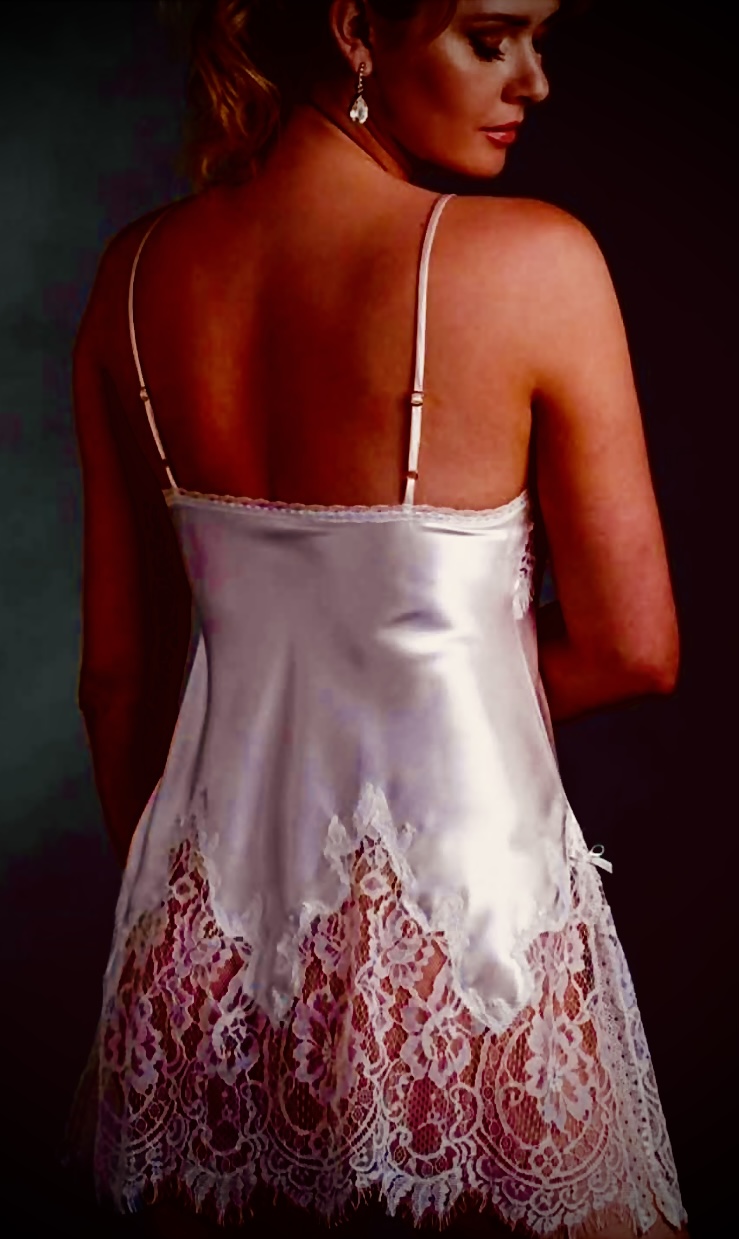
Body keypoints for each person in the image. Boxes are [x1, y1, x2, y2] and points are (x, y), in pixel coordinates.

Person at [61, 1, 689, 1236]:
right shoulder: (535, 263)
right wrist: (417, 697)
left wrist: (198, 914)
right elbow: (634, 648)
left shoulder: (134, 279)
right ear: (356, 28)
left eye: (540, 40)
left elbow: (117, 681)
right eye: (492, 37)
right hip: (467, 936)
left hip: (200, 954)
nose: (534, 82)